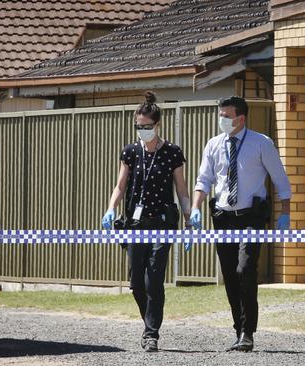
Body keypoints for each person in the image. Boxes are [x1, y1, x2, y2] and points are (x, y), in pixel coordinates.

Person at [190, 96, 291, 352]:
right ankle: (239, 330)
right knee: (230, 276)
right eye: (220, 115)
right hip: (223, 217)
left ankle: (248, 331)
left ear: (241, 118)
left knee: (245, 269)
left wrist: (285, 212)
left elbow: (280, 178)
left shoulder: (261, 143)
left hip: (251, 217)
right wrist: (195, 209)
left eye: (226, 116)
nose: (221, 120)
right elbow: (203, 179)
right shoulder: (213, 145)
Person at [101, 91, 190, 352]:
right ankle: (149, 323)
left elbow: (182, 190)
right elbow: (120, 186)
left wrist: (188, 219)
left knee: (154, 280)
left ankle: (152, 334)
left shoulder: (172, 152)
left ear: (157, 125)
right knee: (136, 284)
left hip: (162, 223)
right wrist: (110, 209)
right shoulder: (130, 152)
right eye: (139, 127)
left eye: (147, 127)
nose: (143, 131)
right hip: (135, 225)